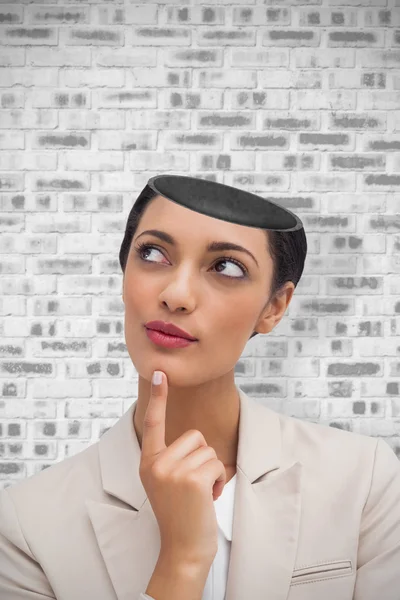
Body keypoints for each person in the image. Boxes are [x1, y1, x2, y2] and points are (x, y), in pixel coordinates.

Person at [0, 175, 399, 600]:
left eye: (227, 266)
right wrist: (182, 560)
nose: (176, 295)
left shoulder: (363, 479)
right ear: (123, 275)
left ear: (275, 307)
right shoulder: (27, 525)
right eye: (152, 253)